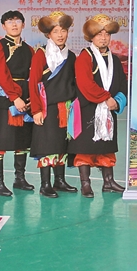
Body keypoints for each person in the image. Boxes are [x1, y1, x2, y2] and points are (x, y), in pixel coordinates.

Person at [69, 14, 128, 197]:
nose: (104, 38)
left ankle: (108, 182)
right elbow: (85, 84)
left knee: (107, 147)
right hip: (88, 109)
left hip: (109, 110)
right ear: (91, 37)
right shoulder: (84, 57)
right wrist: (105, 98)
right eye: (99, 34)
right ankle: (85, 184)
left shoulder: (114, 60)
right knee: (85, 148)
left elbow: (123, 84)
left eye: (107, 34)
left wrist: (117, 101)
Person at [29, 11, 78, 198]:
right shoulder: (40, 54)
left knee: (62, 144)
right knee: (47, 145)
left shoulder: (71, 56)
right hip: (46, 108)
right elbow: (33, 84)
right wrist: (36, 110)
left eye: (63, 30)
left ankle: (60, 180)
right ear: (48, 34)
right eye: (56, 31)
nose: (60, 35)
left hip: (66, 107)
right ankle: (45, 184)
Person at [0, 10, 36, 197]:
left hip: (25, 98)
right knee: (1, 141)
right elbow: (1, 74)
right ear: (3, 26)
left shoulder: (29, 49)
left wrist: (31, 98)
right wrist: (14, 97)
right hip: (6, 98)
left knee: (22, 141)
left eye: (17, 21)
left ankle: (20, 178)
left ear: (23, 24)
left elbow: (33, 76)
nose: (14, 24)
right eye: (9, 22)